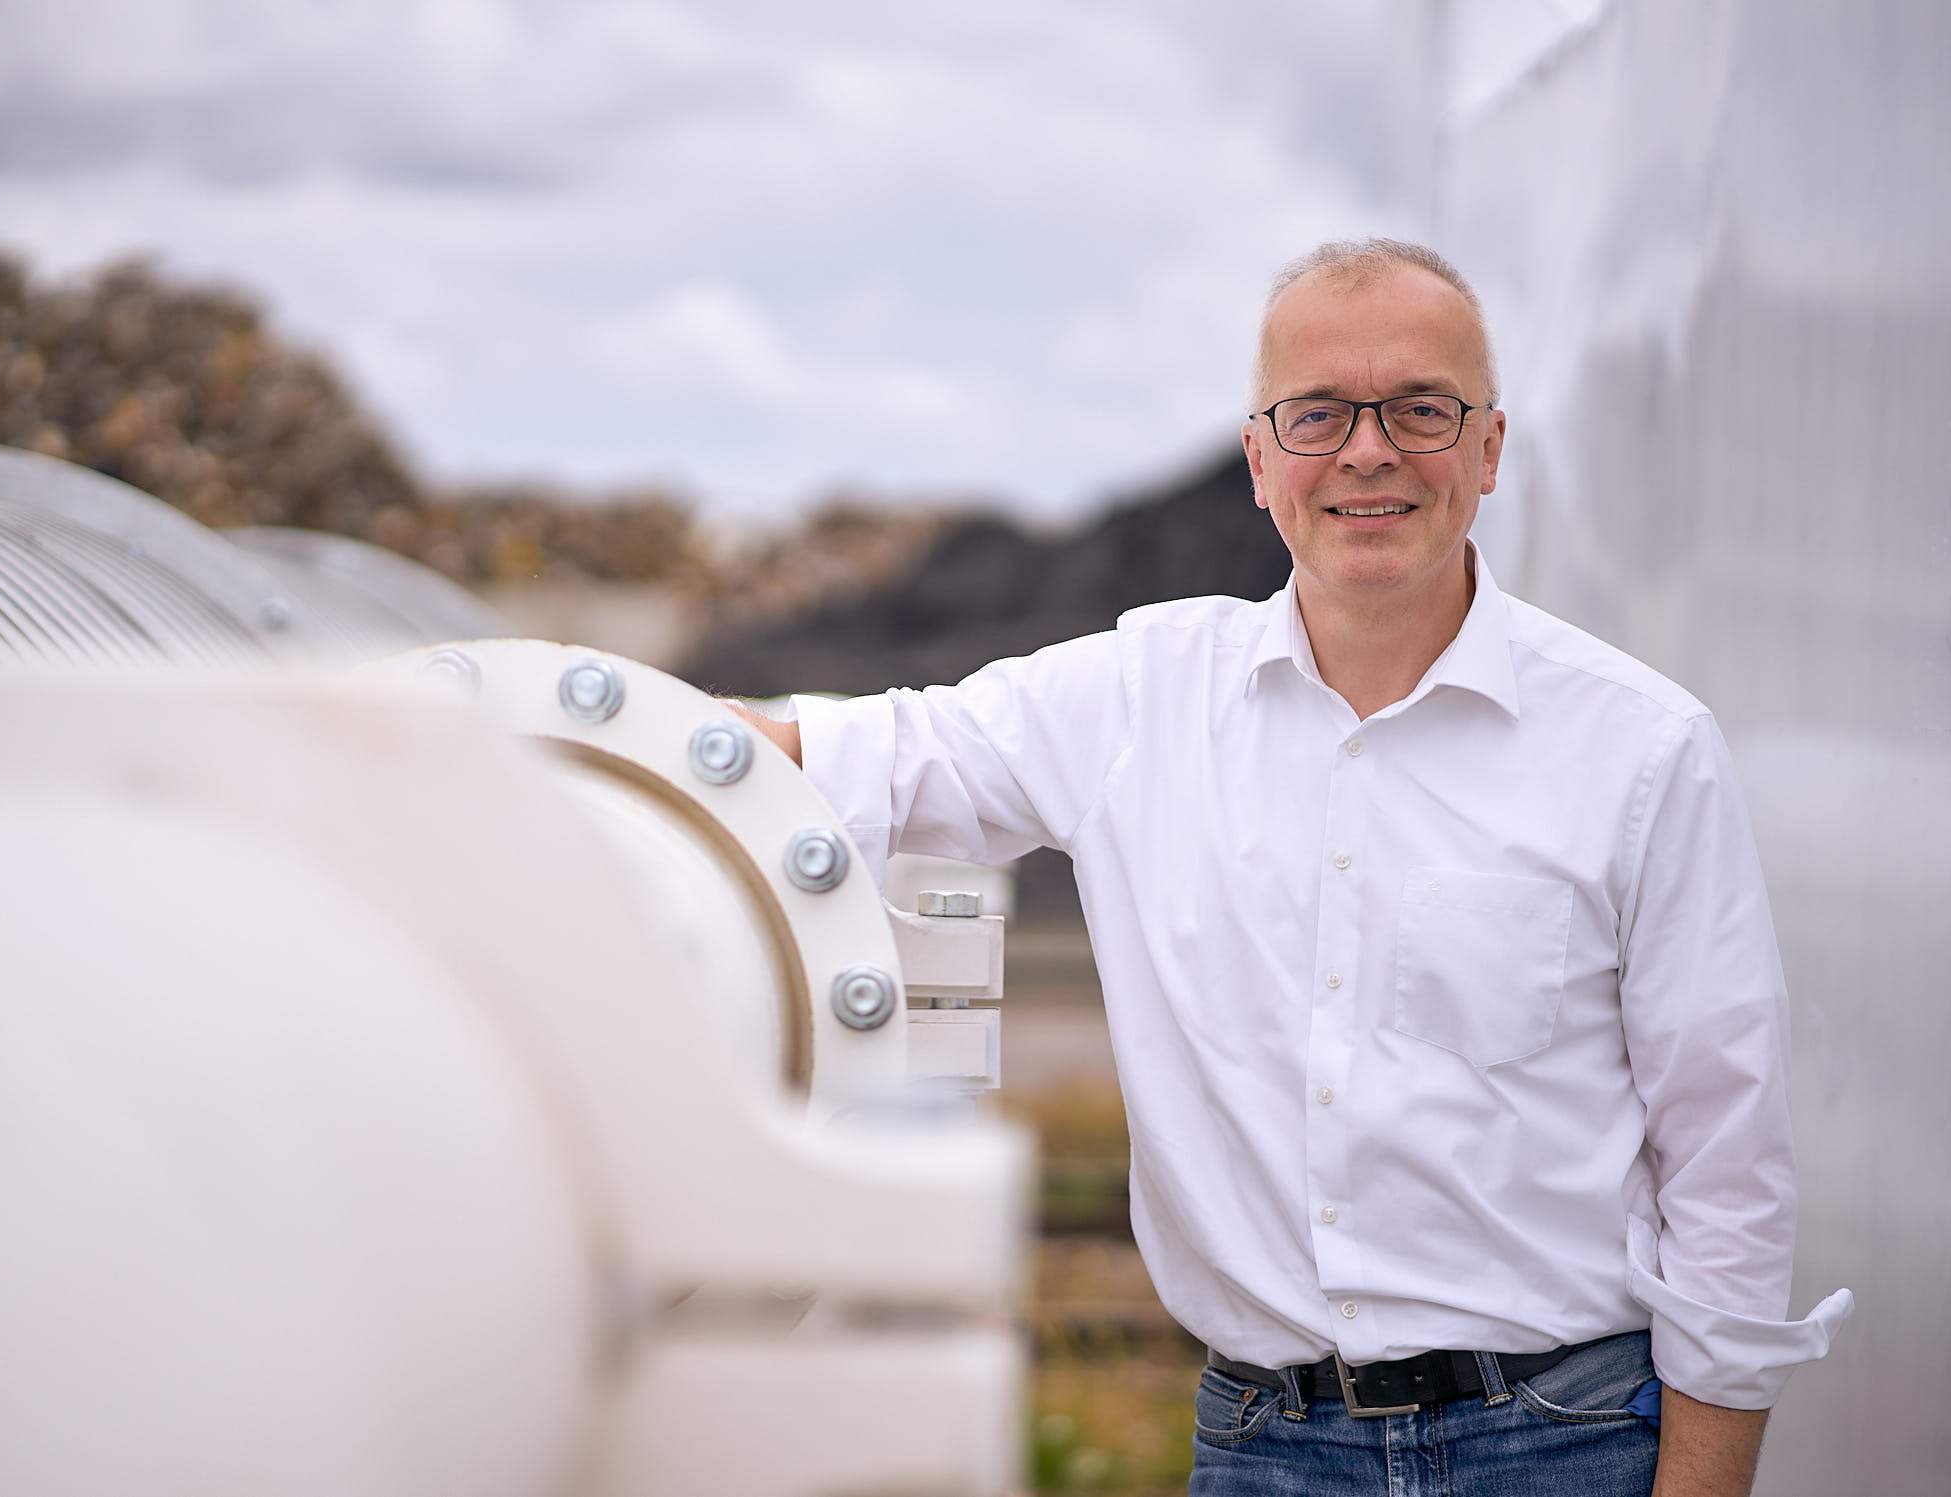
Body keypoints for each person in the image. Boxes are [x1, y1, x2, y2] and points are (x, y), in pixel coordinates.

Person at [731, 238, 1850, 1496]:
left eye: (1421, 409)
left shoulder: (1643, 748)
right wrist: (519, 721)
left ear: (1488, 450)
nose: (1367, 450)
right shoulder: (1135, 699)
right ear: (1260, 460)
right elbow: (847, 753)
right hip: (1266, 1454)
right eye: (1317, 414)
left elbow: (1729, 1165)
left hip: (1564, 1443)